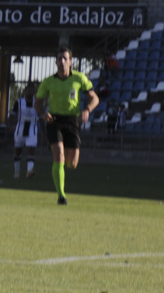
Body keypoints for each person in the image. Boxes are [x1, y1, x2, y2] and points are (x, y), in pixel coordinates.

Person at [34, 48, 100, 205]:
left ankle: (62, 175)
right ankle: (61, 196)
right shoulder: (48, 82)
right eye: (59, 59)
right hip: (54, 121)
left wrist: (87, 110)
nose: (62, 61)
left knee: (72, 164)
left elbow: (95, 98)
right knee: (59, 156)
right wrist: (43, 114)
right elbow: (38, 103)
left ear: (70, 61)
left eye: (65, 58)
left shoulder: (79, 79)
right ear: (56, 62)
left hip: (73, 121)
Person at [10, 82, 39, 179]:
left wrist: (43, 132)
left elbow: (41, 118)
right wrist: (10, 126)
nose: (30, 92)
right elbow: (12, 115)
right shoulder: (19, 102)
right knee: (18, 151)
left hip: (32, 129)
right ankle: (16, 172)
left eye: (32, 91)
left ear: (34, 92)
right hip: (20, 128)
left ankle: (29, 171)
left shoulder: (37, 103)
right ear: (25, 91)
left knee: (31, 149)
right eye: (28, 90)